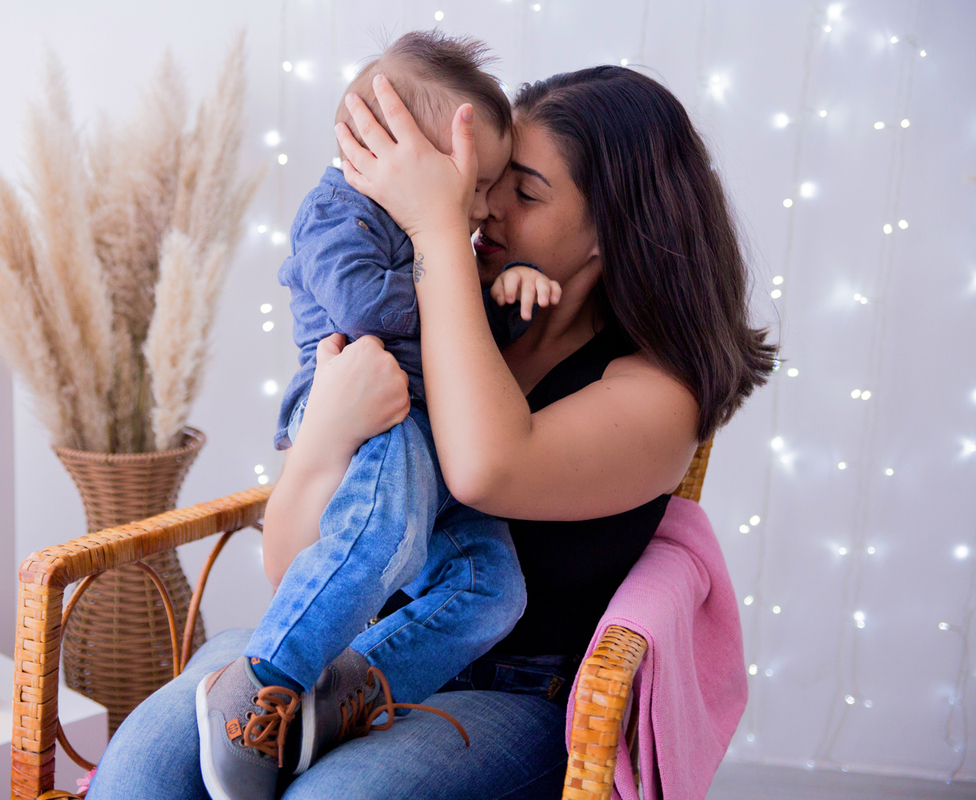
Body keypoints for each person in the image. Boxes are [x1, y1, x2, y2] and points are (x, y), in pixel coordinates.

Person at [88, 64, 774, 800]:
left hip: (508, 695)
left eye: (525, 192)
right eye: (488, 180)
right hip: (328, 655)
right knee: (144, 773)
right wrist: (326, 434)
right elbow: (290, 562)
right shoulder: (441, 308)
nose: (485, 206)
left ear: (611, 227)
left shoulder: (657, 391)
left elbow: (483, 469)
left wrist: (434, 228)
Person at [195, 31, 563, 800]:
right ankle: (257, 683)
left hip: (434, 426)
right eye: (479, 184)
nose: (485, 208)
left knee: (494, 587)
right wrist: (451, 265)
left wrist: (503, 294)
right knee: (382, 535)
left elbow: (472, 358)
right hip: (368, 404)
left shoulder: (449, 245)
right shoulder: (338, 212)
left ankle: (340, 694)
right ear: (402, 158)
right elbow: (363, 306)